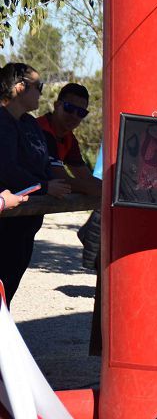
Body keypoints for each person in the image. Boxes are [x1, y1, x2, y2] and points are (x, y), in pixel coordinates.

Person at [0, 63, 71, 304]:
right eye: (38, 86)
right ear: (20, 88)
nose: (41, 92)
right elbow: (7, 168)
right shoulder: (1, 122)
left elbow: (42, 165)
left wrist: (51, 182)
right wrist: (45, 186)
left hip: (27, 222)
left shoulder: (30, 124)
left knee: (8, 290)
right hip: (5, 220)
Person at [36, 82, 101, 196]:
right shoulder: (41, 130)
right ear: (56, 105)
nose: (74, 116)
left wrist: (109, 189)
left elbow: (86, 177)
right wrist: (103, 190)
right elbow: (60, 180)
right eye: (69, 108)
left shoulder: (69, 138)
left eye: (81, 112)